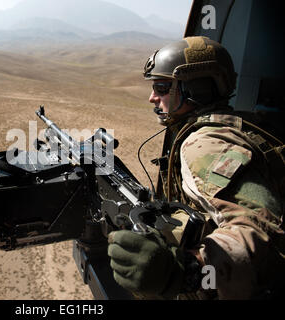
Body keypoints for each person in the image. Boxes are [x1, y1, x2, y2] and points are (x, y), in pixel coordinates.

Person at [107, 36, 285, 299]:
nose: (152, 98)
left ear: (195, 89)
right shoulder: (235, 122)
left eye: (162, 87)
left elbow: (259, 231)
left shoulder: (203, 144)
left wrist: (188, 271)